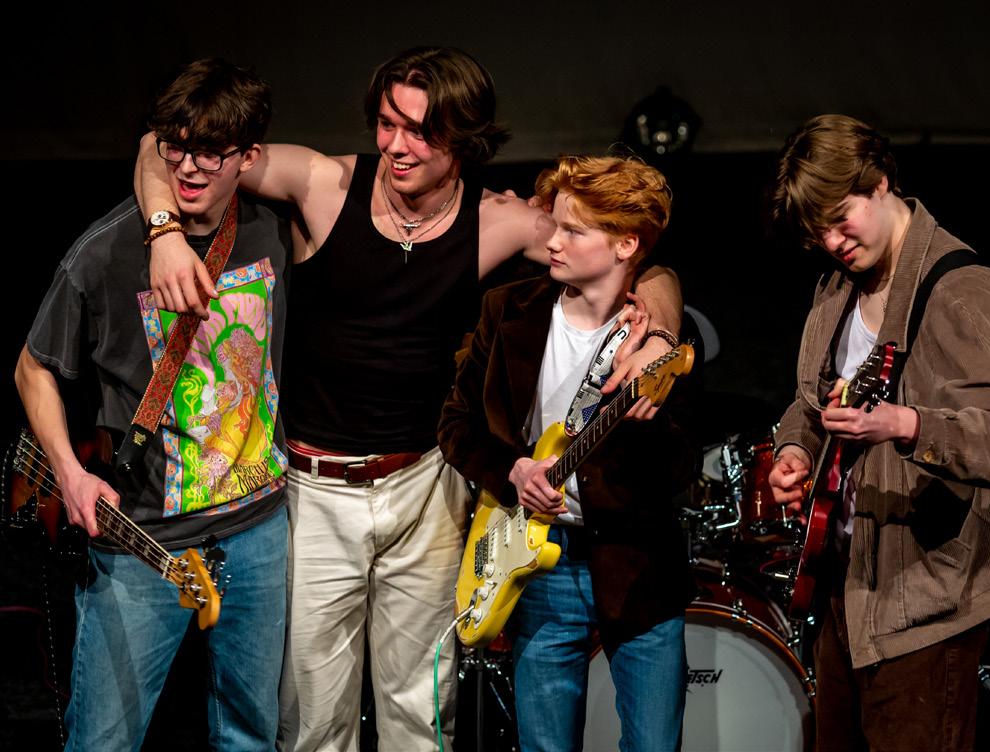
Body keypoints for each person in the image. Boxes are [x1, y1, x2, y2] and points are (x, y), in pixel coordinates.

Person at [135, 47, 683, 751]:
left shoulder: (499, 220)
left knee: (422, 719)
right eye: (388, 123)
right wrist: (164, 233)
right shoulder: (325, 183)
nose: (397, 144)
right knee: (314, 721)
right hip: (315, 489)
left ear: (463, 139)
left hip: (426, 489)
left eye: (421, 132)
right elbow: (160, 145)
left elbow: (636, 257)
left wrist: (660, 326)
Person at [14, 59, 290, 750]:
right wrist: (69, 473)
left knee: (251, 736)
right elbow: (32, 368)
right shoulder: (105, 252)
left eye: (211, 151)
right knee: (103, 740)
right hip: (144, 545)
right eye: (176, 146)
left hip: (257, 532)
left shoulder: (270, 231)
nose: (189, 167)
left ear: (249, 157)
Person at [768, 114, 990, 751]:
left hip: (926, 602)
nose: (832, 242)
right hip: (846, 589)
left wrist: (905, 424)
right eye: (818, 232)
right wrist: (795, 450)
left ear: (879, 181)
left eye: (840, 218)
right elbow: (810, 402)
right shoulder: (837, 287)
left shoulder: (960, 289)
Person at [439, 155, 700, 752]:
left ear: (626, 244)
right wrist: (513, 470)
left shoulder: (662, 342)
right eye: (555, 225)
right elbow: (456, 423)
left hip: (637, 570)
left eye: (573, 231)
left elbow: (681, 466)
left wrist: (643, 417)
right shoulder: (507, 309)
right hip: (537, 565)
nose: (552, 241)